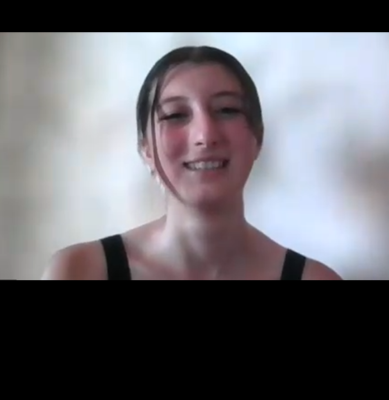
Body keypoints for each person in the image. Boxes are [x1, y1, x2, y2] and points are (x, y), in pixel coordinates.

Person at [42, 45, 342, 280]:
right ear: (145, 147)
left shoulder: (314, 278)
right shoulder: (81, 271)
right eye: (175, 115)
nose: (205, 135)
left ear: (257, 137)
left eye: (226, 110)